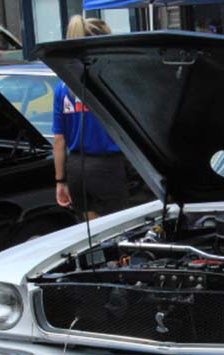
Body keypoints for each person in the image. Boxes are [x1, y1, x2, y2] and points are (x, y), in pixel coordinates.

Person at [53, 16, 129, 220]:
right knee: (119, 233)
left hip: (76, 168)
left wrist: (60, 181)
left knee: (92, 236)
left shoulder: (63, 86)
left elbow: (59, 140)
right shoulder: (110, 82)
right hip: (109, 167)